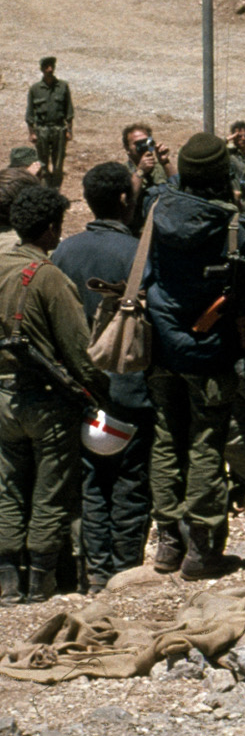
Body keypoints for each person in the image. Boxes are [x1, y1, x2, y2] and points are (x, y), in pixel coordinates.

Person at [142, 134, 245, 578]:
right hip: (211, 350)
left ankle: (167, 542)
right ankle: (201, 549)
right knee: (206, 443)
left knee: (166, 438)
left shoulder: (157, 208)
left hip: (161, 346)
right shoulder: (233, 223)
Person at [59, 163, 150, 593]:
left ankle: (97, 574)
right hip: (131, 388)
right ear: (124, 199)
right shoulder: (138, 253)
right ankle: (125, 572)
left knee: (93, 482)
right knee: (131, 482)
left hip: (81, 390)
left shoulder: (64, 253)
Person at [0, 182, 92, 598]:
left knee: (7, 489)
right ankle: (40, 584)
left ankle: (7, 584)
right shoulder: (48, 276)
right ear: (52, 228)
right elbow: (79, 350)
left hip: (4, 398)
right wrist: (99, 393)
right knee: (50, 494)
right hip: (45, 399)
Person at [22, 59, 70, 184]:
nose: (50, 69)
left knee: (58, 161)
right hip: (42, 129)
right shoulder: (35, 89)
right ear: (42, 69)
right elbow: (30, 112)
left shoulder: (63, 87)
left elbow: (69, 110)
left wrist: (69, 130)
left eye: (52, 66)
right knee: (42, 161)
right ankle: (44, 187)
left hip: (59, 128)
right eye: (47, 67)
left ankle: (56, 187)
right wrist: (32, 133)